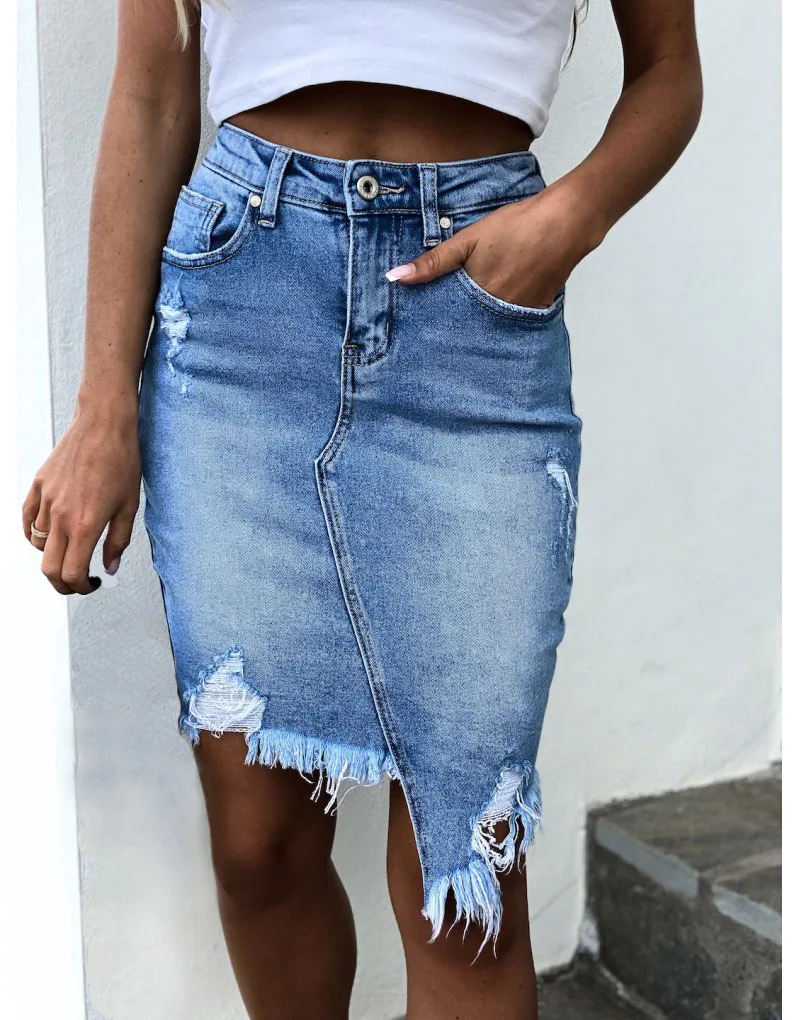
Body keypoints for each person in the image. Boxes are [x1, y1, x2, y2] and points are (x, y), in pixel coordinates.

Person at [22, 1, 702, 1017]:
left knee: (465, 879)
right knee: (257, 845)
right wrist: (102, 405)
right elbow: (155, 85)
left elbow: (668, 70)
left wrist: (572, 215)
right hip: (241, 311)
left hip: (474, 332)